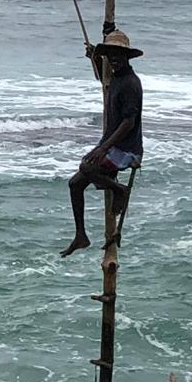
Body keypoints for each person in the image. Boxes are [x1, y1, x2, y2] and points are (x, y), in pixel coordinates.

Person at [58, 30, 144, 258]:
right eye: (110, 54)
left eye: (118, 54)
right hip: (113, 146)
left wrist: (104, 148)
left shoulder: (130, 84)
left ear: (127, 56)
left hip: (127, 151)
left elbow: (129, 122)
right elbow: (102, 77)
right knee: (75, 184)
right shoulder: (115, 76)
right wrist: (95, 58)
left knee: (87, 167)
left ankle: (120, 190)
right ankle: (81, 236)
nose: (113, 58)